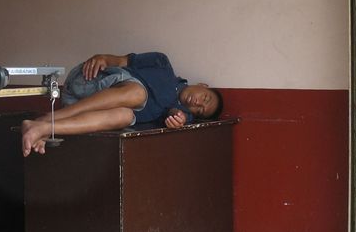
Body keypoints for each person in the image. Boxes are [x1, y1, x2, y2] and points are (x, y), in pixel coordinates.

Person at [21, 51, 223, 156]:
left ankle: (44, 127)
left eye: (200, 110)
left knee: (125, 116)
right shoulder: (162, 63)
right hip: (87, 81)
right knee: (138, 94)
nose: (198, 103)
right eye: (205, 98)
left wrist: (179, 118)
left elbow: (178, 114)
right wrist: (102, 57)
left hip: (76, 105)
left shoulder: (177, 112)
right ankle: (47, 118)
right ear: (202, 85)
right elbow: (120, 60)